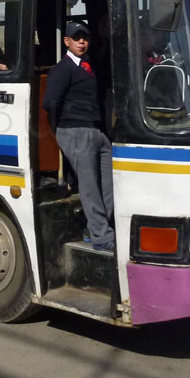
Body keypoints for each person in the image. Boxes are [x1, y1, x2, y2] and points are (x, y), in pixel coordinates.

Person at [42, 22, 115, 251]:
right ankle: (102, 237)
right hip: (75, 131)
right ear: (67, 42)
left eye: (84, 37)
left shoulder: (88, 65)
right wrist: (63, 131)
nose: (81, 41)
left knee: (110, 184)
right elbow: (50, 102)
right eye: (76, 38)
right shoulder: (63, 68)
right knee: (90, 186)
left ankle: (92, 230)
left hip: (96, 132)